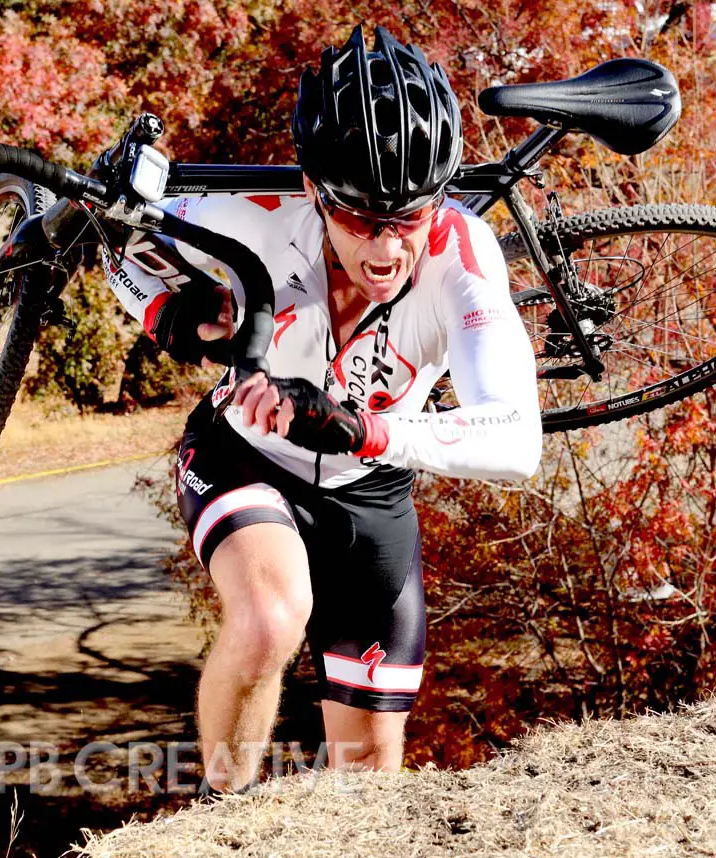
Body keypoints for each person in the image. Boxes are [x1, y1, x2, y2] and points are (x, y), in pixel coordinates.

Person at [104, 24, 542, 792]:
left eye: (410, 217)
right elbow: (113, 234)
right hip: (244, 454)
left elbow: (516, 439)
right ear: (315, 191)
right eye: (362, 218)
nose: (387, 248)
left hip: (367, 494)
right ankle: (224, 816)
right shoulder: (257, 214)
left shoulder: (462, 256)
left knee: (368, 774)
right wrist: (166, 314)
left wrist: (369, 430)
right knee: (271, 619)